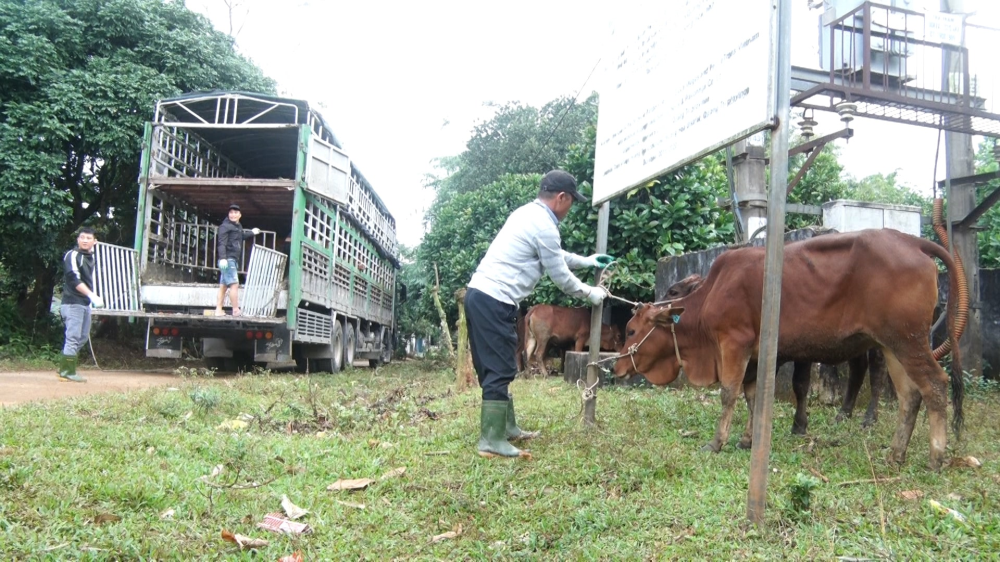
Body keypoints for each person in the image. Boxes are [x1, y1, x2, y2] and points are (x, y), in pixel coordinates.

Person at [465, 170, 614, 459]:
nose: (570, 208)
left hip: (484, 297)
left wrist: (588, 261)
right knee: (498, 368)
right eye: (571, 201)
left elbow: (554, 255)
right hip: (493, 299)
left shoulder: (528, 214)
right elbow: (560, 275)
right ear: (561, 197)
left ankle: (506, 429)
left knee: (499, 366)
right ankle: (491, 440)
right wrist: (590, 293)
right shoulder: (544, 225)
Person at [58, 227, 104, 382]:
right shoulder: (72, 255)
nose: (85, 240)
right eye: (82, 237)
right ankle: (67, 372)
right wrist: (91, 295)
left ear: (94, 241)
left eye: (89, 238)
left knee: (83, 337)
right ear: (77, 239)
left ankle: (66, 365)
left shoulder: (91, 257)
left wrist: (90, 298)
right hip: (72, 303)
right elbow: (73, 279)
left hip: (84, 303)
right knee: (73, 337)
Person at [215, 203, 260, 316]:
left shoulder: (237, 226)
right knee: (234, 285)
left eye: (235, 213)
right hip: (228, 260)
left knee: (223, 286)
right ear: (228, 214)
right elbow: (221, 243)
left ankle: (218, 310)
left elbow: (240, 237)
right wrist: (223, 258)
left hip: (232, 259)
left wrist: (251, 233)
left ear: (240, 215)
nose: (233, 215)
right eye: (231, 212)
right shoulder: (225, 227)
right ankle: (235, 310)